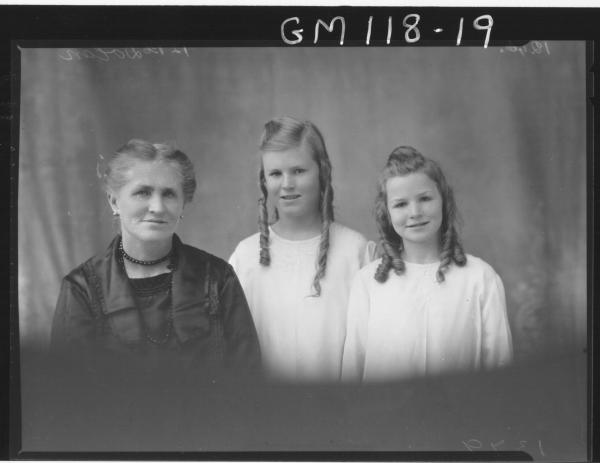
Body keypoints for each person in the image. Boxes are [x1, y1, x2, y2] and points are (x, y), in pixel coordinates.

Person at [51, 139, 260, 374]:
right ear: (114, 201)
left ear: (183, 204)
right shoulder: (82, 288)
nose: (158, 207)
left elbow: (247, 381)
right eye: (143, 192)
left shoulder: (218, 278)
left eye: (169, 194)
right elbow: (69, 393)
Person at [342, 146, 513, 382]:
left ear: (443, 201)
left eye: (424, 198)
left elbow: (499, 372)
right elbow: (352, 371)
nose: (415, 212)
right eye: (401, 204)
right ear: (387, 213)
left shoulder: (480, 278)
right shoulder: (367, 282)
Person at [229, 116, 373, 382]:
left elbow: (369, 347)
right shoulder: (245, 256)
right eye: (275, 174)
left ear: (323, 172)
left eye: (298, 171)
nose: (287, 184)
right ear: (264, 180)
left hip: (338, 409)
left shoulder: (354, 250)